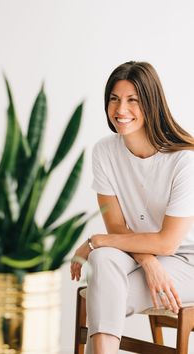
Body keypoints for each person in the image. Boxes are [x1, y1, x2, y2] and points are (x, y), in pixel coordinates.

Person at [70, 61, 194, 354]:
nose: (120, 110)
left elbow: (167, 242)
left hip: (187, 262)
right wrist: (149, 263)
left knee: (103, 288)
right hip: (139, 253)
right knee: (103, 262)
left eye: (132, 100)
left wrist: (95, 241)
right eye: (114, 99)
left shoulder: (184, 160)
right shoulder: (104, 151)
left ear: (151, 103)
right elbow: (117, 228)